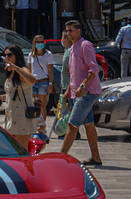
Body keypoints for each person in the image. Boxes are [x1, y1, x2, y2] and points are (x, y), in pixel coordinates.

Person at [61, 20, 103, 165]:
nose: (68, 33)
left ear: (79, 31)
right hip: (79, 92)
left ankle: (61, 157)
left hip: (87, 92)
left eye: (71, 30)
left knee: (72, 125)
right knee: (89, 125)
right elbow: (74, 74)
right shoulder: (73, 47)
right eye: (67, 30)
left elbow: (94, 69)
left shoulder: (85, 46)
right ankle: (96, 158)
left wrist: (82, 86)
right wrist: (68, 90)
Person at [0, 44, 38, 149]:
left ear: (17, 56)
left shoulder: (22, 70)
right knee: (3, 149)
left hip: (22, 119)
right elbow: (12, 94)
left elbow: (32, 81)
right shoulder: (10, 74)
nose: (6, 57)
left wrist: (16, 68)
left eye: (10, 55)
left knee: (20, 153)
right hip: (10, 119)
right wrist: (1, 98)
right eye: (5, 55)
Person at [28, 35, 54, 133]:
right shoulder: (31, 55)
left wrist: (50, 83)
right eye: (38, 42)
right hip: (33, 82)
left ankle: (42, 127)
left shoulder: (48, 54)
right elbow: (29, 69)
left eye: (41, 42)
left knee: (42, 106)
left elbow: (50, 70)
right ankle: (35, 125)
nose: (40, 44)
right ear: (34, 43)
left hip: (44, 82)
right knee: (33, 105)